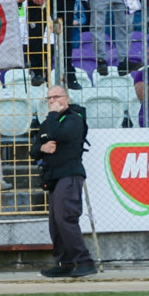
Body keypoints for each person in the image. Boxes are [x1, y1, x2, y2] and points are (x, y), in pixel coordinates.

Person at [34, 84, 93, 277]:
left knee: (65, 218)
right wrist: (42, 149)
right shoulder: (50, 121)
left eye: (56, 97)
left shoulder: (74, 119)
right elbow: (33, 149)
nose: (52, 101)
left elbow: (57, 134)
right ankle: (65, 263)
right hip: (54, 177)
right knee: (55, 223)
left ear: (66, 99)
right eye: (49, 98)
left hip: (69, 174)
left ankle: (84, 261)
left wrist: (52, 116)